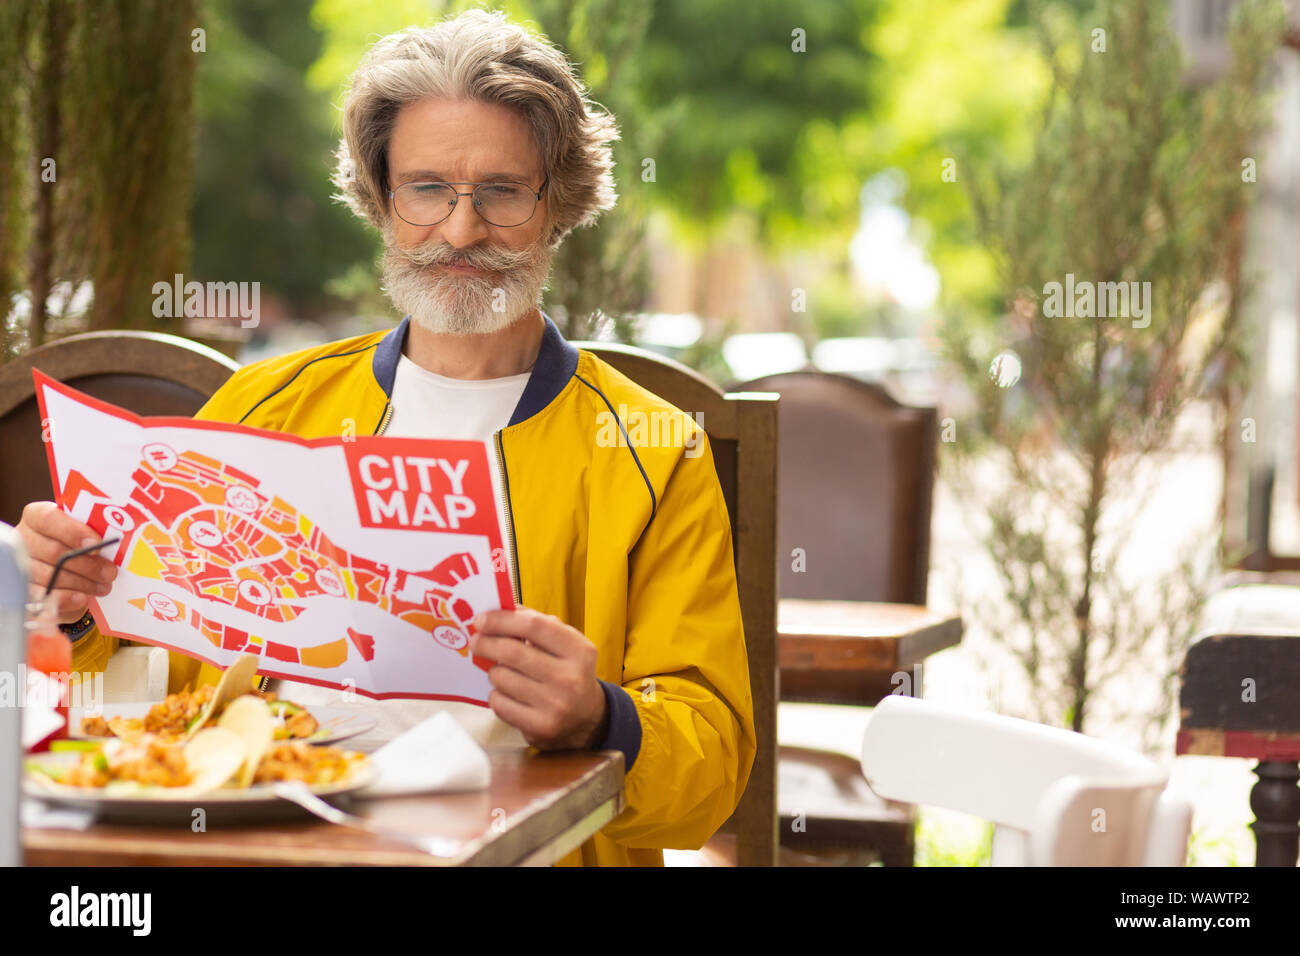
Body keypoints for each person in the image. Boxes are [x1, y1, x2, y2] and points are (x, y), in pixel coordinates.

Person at [15, 9, 754, 867]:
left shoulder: (654, 448)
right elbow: (148, 686)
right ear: (381, 199)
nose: (462, 230)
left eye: (504, 191)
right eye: (428, 188)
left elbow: (711, 770)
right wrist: (68, 606)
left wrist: (601, 716)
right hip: (270, 846)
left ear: (562, 205)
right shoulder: (262, 405)